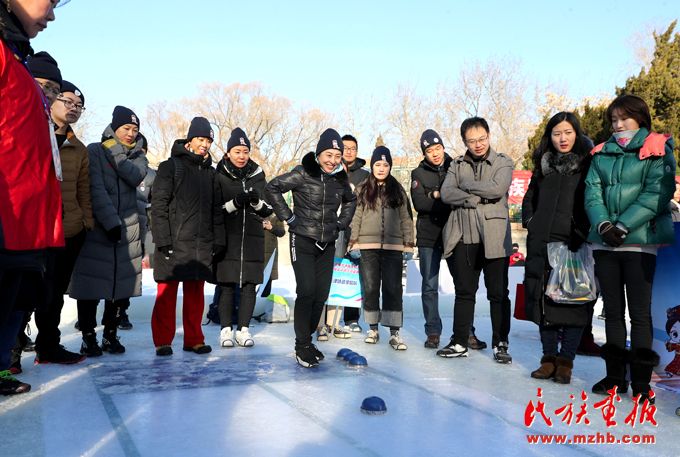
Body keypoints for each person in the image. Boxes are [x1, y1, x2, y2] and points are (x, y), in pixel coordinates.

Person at [585, 94, 675, 404]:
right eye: (613, 119)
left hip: (639, 243)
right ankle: (614, 377)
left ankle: (640, 381)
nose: (618, 124)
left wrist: (623, 225)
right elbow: (592, 192)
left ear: (640, 117)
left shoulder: (658, 149)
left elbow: (657, 193)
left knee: (639, 313)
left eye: (624, 118)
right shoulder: (601, 153)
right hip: (605, 244)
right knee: (611, 311)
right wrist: (603, 225)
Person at [0, 0, 63, 396]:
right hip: (6, 213)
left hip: (23, 222)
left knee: (16, 299)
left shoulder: (15, 57)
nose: (52, 15)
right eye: (50, 1)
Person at [265, 128, 356, 368]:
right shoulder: (303, 173)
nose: (332, 160)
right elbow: (272, 187)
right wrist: (289, 218)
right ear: (318, 154)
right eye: (328, 155)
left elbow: (351, 200)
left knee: (321, 294)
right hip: (303, 239)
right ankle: (301, 345)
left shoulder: (340, 179)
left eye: (337, 156)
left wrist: (341, 223)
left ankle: (308, 341)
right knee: (307, 291)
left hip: (327, 243)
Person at [69, 106, 148, 356]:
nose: (131, 133)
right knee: (91, 287)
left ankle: (110, 335)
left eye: (135, 129)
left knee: (119, 288)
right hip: (99, 229)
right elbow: (95, 189)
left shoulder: (138, 157)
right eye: (126, 128)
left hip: (127, 232)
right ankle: (88, 337)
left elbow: (134, 177)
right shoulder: (95, 150)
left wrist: (116, 151)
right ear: (114, 128)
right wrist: (111, 222)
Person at [522, 112, 594, 384]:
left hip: (572, 243)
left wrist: (581, 231)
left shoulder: (588, 164)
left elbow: (593, 200)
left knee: (574, 303)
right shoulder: (543, 165)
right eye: (556, 133)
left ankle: (566, 362)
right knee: (544, 303)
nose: (562, 138)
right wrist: (530, 221)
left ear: (577, 133)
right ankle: (548, 359)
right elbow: (530, 197)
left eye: (568, 132)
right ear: (549, 136)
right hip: (541, 243)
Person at [440, 117, 514, 363]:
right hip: (464, 234)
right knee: (464, 292)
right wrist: (472, 198)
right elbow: (447, 193)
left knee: (498, 293)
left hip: (495, 236)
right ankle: (460, 341)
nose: (478, 144)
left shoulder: (503, 161)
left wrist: (466, 186)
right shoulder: (456, 165)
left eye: (482, 139)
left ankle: (500, 343)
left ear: (489, 136)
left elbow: (497, 188)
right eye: (472, 141)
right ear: (465, 142)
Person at [410, 129, 488, 350]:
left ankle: (467, 332)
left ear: (443, 148)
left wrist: (435, 195)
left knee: (463, 285)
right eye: (429, 151)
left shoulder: (457, 166)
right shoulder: (418, 173)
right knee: (429, 285)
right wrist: (446, 197)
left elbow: (464, 196)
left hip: (456, 233)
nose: (435, 154)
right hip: (429, 236)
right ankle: (433, 331)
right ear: (424, 153)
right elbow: (420, 204)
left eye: (438, 148)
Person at [33, 80, 93, 365]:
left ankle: (48, 346)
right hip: (34, 229)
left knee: (55, 293)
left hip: (69, 230)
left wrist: (85, 222)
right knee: (25, 291)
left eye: (79, 106)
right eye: (67, 101)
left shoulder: (78, 148)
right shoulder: (32, 134)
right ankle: (12, 352)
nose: (74, 108)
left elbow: (83, 190)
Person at [150, 117, 216, 356]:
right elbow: (158, 205)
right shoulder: (171, 167)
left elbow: (215, 210)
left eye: (208, 141)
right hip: (173, 242)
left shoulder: (210, 172)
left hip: (200, 244)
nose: (205, 145)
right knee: (166, 294)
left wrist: (215, 241)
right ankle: (163, 341)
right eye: (201, 139)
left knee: (196, 295)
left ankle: (194, 339)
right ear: (190, 140)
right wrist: (163, 240)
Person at [214, 128, 273, 348]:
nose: (241, 156)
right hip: (228, 237)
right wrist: (235, 203)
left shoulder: (258, 175)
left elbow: (268, 211)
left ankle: (243, 329)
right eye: (237, 151)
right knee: (227, 285)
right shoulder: (219, 174)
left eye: (245, 151)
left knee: (250, 285)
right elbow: (215, 210)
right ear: (228, 152)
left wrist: (256, 202)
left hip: (252, 238)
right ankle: (225, 330)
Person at [349, 146, 413, 350]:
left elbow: (406, 218)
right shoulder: (362, 188)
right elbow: (356, 217)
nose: (381, 168)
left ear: (390, 167)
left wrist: (408, 244)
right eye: (378, 164)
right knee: (370, 287)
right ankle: (373, 328)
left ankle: (394, 332)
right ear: (372, 166)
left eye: (385, 165)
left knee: (393, 288)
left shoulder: (398, 189)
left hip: (393, 247)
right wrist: (353, 241)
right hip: (367, 247)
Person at [339, 134, 369, 333]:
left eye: (353, 148)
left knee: (353, 275)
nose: (349, 151)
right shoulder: (332, 170)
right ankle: (327, 318)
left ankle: (351, 318)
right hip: (334, 229)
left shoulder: (365, 175)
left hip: (356, 230)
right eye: (345, 148)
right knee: (332, 273)